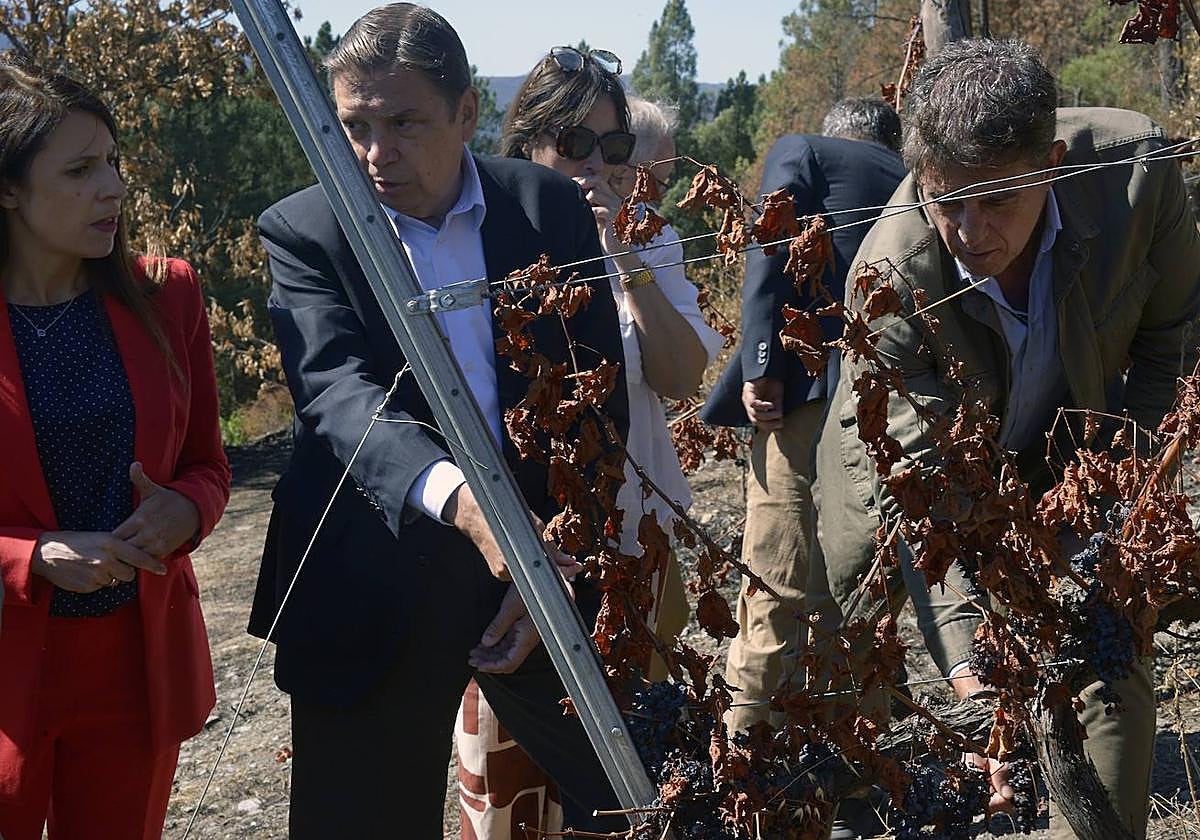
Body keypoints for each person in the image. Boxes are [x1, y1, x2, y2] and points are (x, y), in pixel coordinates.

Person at [245, 7, 633, 836]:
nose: (377, 154)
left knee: (638, 798)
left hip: (542, 575)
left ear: (466, 114)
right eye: (356, 127)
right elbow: (337, 397)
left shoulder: (546, 211)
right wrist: (468, 503)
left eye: (405, 122)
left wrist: (558, 559)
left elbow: (595, 401)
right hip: (369, 590)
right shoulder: (306, 231)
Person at [807, 38, 1200, 839]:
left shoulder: (1140, 177)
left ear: (1051, 163)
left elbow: (1176, 339)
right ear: (919, 175)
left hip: (1073, 445)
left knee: (1105, 637)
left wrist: (1126, 493)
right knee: (850, 630)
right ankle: (846, 804)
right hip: (913, 470)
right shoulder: (890, 281)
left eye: (996, 200)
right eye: (946, 201)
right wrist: (973, 671)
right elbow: (922, 493)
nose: (969, 230)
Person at [452, 63, 723, 839]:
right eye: (574, 143)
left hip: (633, 539)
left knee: (624, 766)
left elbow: (680, 377)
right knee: (510, 768)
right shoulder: (482, 247)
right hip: (512, 550)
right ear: (528, 145)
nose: (597, 162)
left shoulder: (652, 241)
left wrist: (621, 256)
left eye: (613, 144)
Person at [0, 62, 230, 839]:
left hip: (135, 668)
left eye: (114, 162)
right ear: (8, 190)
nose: (115, 188)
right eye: (79, 169)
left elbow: (209, 467)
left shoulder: (168, 294)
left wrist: (185, 510)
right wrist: (30, 559)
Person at [700, 98, 907, 734]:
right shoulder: (912, 180)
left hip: (807, 401)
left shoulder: (807, 150)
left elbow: (771, 239)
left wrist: (761, 362)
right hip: (893, 411)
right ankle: (858, 763)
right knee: (862, 589)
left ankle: (749, 750)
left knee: (775, 580)